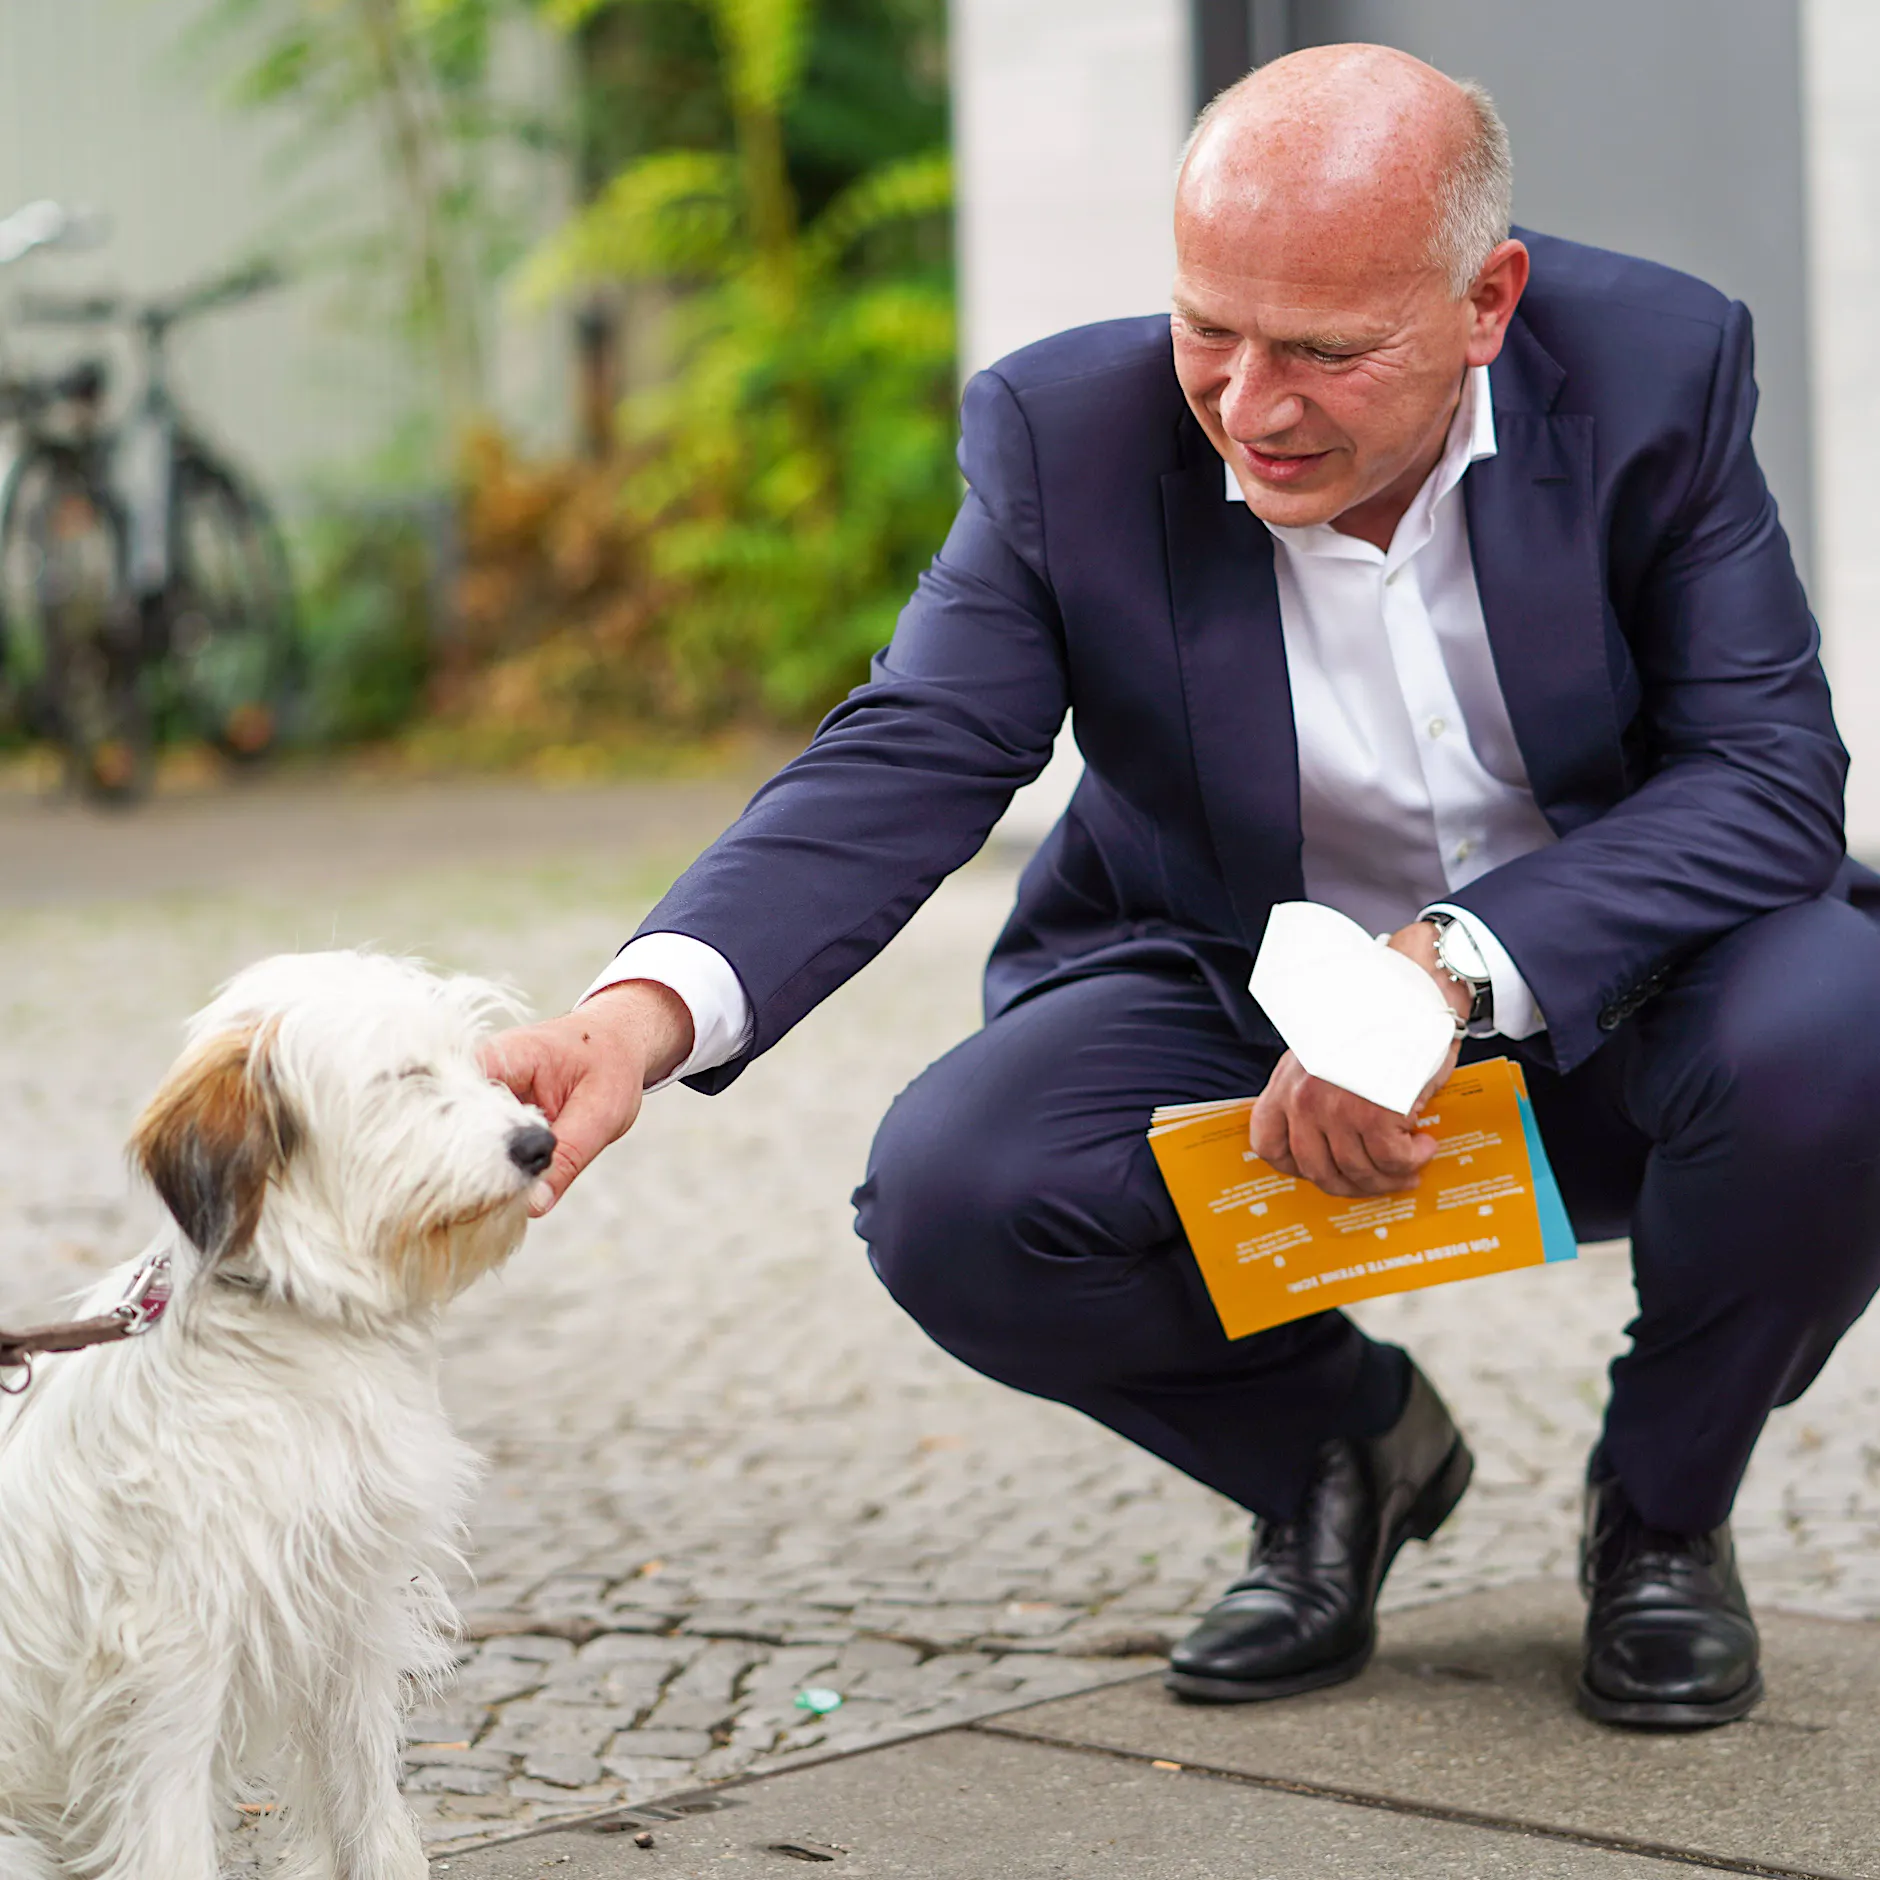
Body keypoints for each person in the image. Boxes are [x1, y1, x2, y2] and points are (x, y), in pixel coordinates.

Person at [487, 44, 1880, 1731]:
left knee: (1842, 1035)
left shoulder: (1658, 368)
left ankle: (1661, 1516)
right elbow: (915, 745)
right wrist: (635, 1019)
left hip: (1623, 995)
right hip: (1232, 981)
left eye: (1326, 351)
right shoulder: (1063, 436)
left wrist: (1436, 976)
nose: (1251, 404)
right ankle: (1344, 1456)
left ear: (1487, 300)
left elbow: (1768, 779)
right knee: (960, 1190)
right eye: (1210, 327)